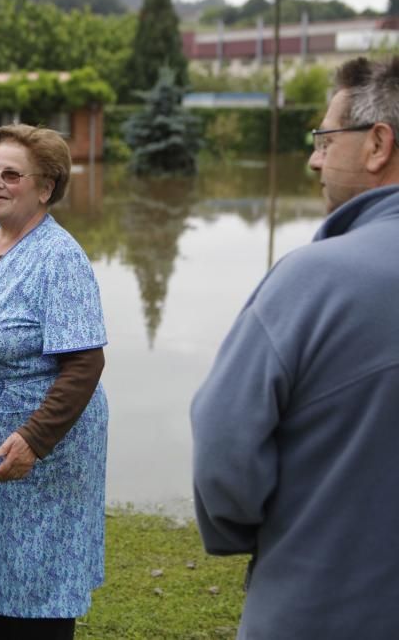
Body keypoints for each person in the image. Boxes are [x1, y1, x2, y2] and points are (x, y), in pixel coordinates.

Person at [191, 55, 399, 639]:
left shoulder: (313, 281)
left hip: (315, 610)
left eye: (326, 139)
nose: (314, 158)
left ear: (378, 144)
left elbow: (224, 446)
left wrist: (240, 531)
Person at [0, 124, 108, 639]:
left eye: (11, 174)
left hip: (37, 457)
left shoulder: (60, 258)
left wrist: (34, 439)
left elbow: (84, 365)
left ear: (46, 187)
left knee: (36, 592)